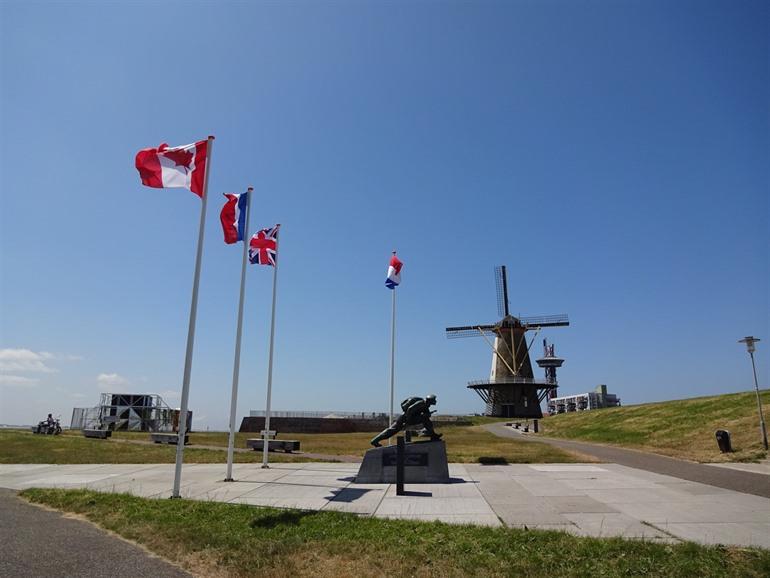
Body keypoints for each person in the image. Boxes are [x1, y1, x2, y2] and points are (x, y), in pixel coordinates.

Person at [370, 394, 442, 447]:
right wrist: (407, 421)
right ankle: (374, 441)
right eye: (434, 400)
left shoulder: (426, 406)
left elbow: (425, 415)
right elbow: (410, 409)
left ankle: (432, 435)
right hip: (405, 418)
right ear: (431, 400)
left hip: (409, 418)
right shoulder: (421, 403)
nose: (435, 401)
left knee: (426, 420)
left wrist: (428, 414)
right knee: (392, 430)